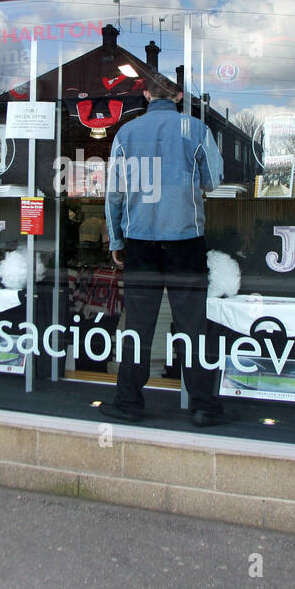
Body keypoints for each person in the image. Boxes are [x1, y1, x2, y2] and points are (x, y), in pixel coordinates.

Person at [103, 66, 229, 427]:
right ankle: (203, 405)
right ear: (178, 96)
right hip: (186, 241)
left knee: (139, 326)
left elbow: (115, 193)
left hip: (140, 241)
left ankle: (129, 401)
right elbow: (214, 180)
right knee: (193, 326)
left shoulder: (126, 133)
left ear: (145, 95)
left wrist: (116, 240)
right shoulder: (196, 129)